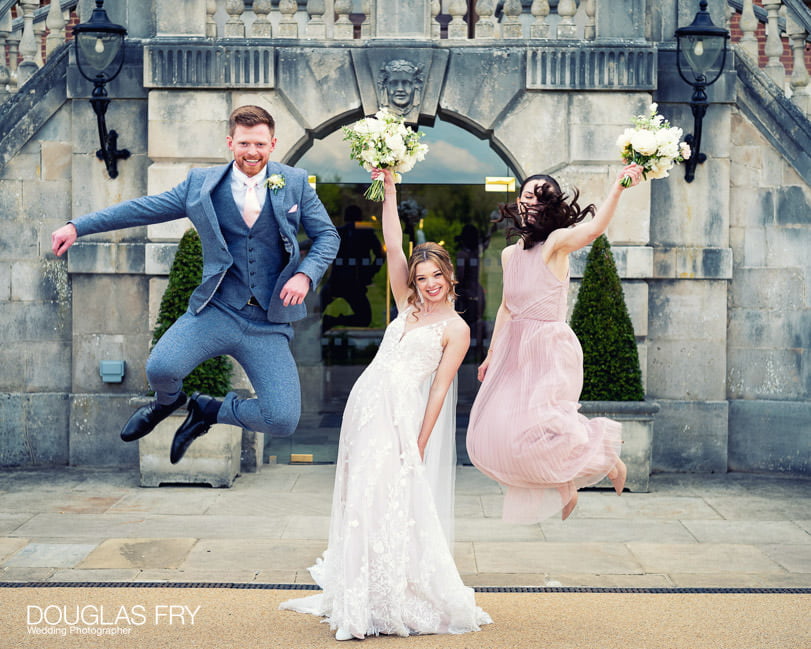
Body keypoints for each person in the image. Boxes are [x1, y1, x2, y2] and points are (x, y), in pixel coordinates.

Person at [50, 105, 339, 464]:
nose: (253, 152)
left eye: (261, 144)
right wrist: (78, 226)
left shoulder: (294, 182)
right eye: (245, 143)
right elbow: (144, 208)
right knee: (160, 368)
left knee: (281, 419)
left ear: (273, 143)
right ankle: (169, 402)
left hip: (268, 323)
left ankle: (210, 411)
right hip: (218, 308)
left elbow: (328, 236)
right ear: (230, 142)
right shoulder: (200, 185)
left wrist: (304, 274)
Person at [280, 169, 491, 641]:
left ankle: (392, 593)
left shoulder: (455, 328)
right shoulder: (405, 305)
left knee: (391, 495)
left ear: (449, 275)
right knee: (363, 494)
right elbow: (393, 247)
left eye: (436, 275)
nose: (429, 283)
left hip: (403, 415)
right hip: (367, 405)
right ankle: (359, 590)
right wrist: (390, 191)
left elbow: (438, 390)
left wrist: (419, 441)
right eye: (422, 277)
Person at [466, 164, 644, 524]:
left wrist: (618, 187)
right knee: (516, 430)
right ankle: (564, 484)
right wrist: (492, 353)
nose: (532, 201)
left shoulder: (556, 244)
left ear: (552, 206)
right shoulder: (510, 254)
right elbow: (506, 307)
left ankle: (607, 455)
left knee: (548, 420)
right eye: (528, 195)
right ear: (518, 201)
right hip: (517, 346)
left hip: (549, 345)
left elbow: (594, 229)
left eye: (541, 197)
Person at [320, 205, 383, 331]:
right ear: (360, 217)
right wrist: (371, 271)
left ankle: (321, 327)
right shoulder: (366, 232)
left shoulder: (338, 232)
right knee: (364, 317)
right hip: (354, 282)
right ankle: (328, 323)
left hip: (338, 281)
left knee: (314, 311)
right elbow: (381, 255)